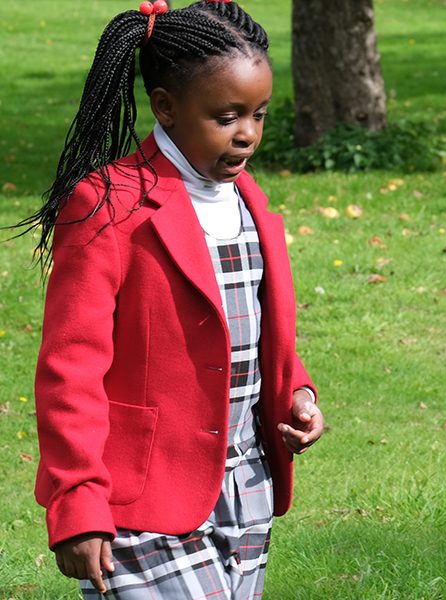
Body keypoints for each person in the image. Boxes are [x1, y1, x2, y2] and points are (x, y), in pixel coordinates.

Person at [20, 1, 324, 597]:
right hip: (143, 498)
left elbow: (252, 326)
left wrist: (298, 393)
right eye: (227, 116)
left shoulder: (248, 200)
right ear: (165, 107)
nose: (248, 134)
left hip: (245, 485)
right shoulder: (108, 203)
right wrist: (78, 498)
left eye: (259, 115)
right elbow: (69, 368)